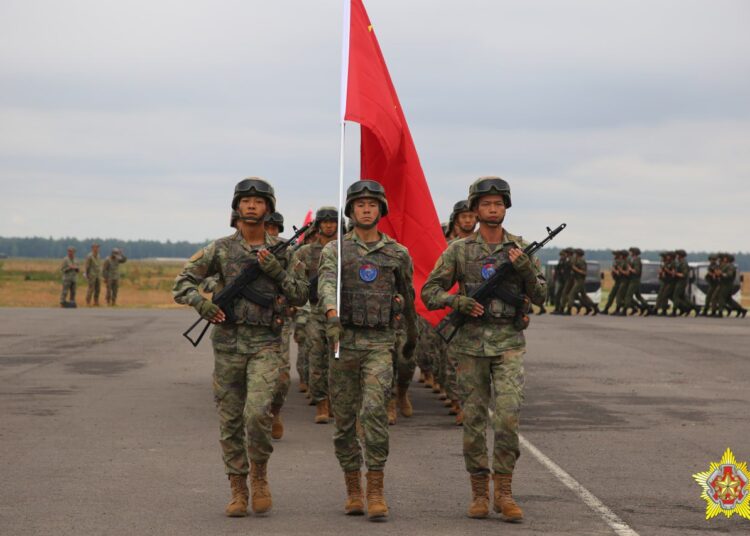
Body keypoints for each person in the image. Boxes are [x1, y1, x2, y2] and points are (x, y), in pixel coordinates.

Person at [172, 177, 308, 518]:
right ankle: (237, 487)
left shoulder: (285, 252)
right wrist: (202, 305)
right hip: (229, 345)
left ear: (268, 209)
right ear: (236, 207)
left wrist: (276, 271)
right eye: (245, 200)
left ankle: (259, 476)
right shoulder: (219, 249)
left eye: (258, 201)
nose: (251, 205)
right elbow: (182, 282)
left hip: (266, 343)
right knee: (230, 420)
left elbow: (301, 295)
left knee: (258, 412)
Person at [422, 176, 546, 522]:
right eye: (486, 204)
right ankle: (479, 492)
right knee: (474, 421)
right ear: (475, 209)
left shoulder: (520, 249)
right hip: (470, 347)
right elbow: (429, 292)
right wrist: (457, 301)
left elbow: (541, 296)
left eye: (498, 204)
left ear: (506, 207)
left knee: (507, 418)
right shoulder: (459, 251)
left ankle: (504, 492)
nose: (493, 209)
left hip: (508, 344)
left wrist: (524, 269)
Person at [318, 180, 417, 520]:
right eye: (359, 204)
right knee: (344, 421)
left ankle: (375, 488)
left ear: (381, 210)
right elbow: (326, 283)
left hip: (379, 343)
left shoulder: (397, 254)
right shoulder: (336, 250)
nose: (365, 209)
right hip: (343, 343)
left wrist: (411, 341)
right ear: (350, 210)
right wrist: (331, 313)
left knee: (374, 412)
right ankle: (353, 490)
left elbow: (409, 299)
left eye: (372, 204)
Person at [293, 206, 340, 424]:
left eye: (333, 221)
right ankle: (321, 402)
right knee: (316, 358)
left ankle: (336, 401)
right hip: (315, 311)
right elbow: (295, 282)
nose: (329, 225)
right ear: (318, 225)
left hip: (340, 312)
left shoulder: (345, 251)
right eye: (325, 222)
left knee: (338, 360)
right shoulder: (305, 252)